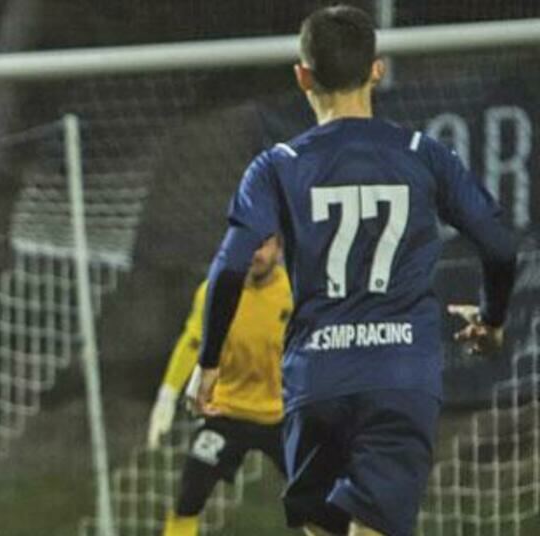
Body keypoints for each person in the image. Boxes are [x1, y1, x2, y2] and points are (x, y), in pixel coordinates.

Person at [193, 6, 517, 536]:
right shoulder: (422, 154)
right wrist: (493, 319)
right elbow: (500, 247)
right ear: (376, 70)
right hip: (399, 376)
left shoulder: (277, 164)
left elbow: (230, 266)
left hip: (317, 378)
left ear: (303, 76)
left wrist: (209, 362)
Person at [146, 235, 291, 536]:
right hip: (224, 411)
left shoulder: (296, 294)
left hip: (282, 415)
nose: (256, 253)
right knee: (188, 499)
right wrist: (167, 396)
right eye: (250, 243)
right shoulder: (216, 289)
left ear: (279, 249)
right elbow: (192, 342)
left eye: (264, 245)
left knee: (321, 502)